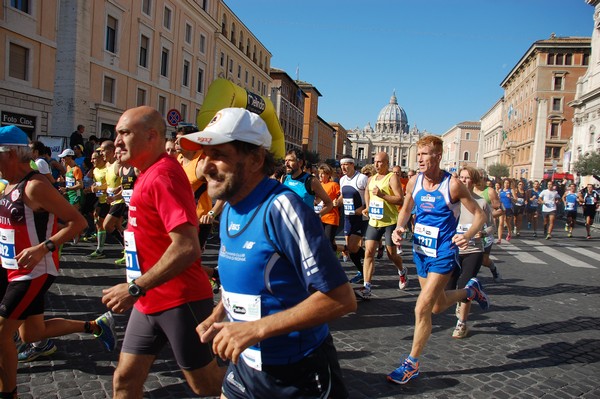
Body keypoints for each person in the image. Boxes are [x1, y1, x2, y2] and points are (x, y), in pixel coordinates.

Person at [179, 107, 357, 398]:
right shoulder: (228, 208)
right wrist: (219, 313)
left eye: (218, 155)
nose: (205, 166)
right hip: (246, 365)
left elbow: (341, 299)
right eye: (203, 155)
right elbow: (245, 279)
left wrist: (255, 330)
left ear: (255, 159)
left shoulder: (282, 208)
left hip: (297, 374)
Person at [0, 126, 116, 398]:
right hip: (11, 269)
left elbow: (78, 222)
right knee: (32, 334)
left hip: (33, 271)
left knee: (2, 335)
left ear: (11, 154)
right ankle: (95, 326)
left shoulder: (36, 185)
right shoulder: (9, 185)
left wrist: (43, 248)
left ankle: (9, 393)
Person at [386, 135, 489, 385]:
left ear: (438, 156)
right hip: (421, 250)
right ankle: (470, 291)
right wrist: (399, 228)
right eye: (418, 154)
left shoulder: (452, 185)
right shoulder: (414, 181)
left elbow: (479, 216)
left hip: (443, 252)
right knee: (436, 306)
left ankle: (411, 363)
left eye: (425, 154)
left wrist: (467, 235)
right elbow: (406, 209)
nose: (419, 158)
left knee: (421, 307)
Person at [450, 166, 495, 339]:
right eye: (461, 177)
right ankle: (461, 298)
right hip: (453, 250)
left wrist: (482, 233)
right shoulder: (452, 201)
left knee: (464, 284)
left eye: (467, 178)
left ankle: (462, 323)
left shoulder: (481, 202)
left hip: (474, 250)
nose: (464, 180)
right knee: (447, 289)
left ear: (474, 180)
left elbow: (491, 226)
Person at [356, 151, 407, 299]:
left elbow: (400, 200)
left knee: (392, 255)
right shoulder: (371, 179)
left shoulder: (392, 178)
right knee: (368, 252)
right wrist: (367, 207)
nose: (377, 165)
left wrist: (382, 195)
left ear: (387, 163)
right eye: (375, 162)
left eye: (380, 162)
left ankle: (402, 270)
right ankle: (367, 287)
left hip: (390, 221)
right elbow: (368, 193)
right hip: (374, 221)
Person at [337, 156, 369, 284]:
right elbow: (342, 196)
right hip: (348, 217)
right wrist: (337, 202)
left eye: (346, 165)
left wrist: (363, 207)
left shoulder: (362, 178)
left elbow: (370, 196)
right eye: (341, 165)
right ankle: (365, 267)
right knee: (351, 249)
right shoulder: (342, 180)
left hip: (361, 217)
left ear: (352, 165)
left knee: (352, 246)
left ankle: (367, 264)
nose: (343, 168)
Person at [282, 149, 333, 216]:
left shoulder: (311, 180)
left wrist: (317, 216)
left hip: (304, 224)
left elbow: (329, 203)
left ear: (300, 162)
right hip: (286, 223)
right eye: (285, 160)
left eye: (290, 160)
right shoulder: (284, 178)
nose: (286, 164)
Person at [473, 170, 503, 282]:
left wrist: (486, 216)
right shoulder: (468, 190)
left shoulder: (490, 192)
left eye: (480, 178)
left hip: (485, 229)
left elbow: (500, 210)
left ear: (485, 179)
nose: (478, 180)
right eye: (475, 177)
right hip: (470, 228)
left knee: (484, 260)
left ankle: (494, 269)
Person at [316, 163, 341, 253]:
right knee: (321, 242)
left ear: (328, 175)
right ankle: (343, 249)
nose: (320, 175)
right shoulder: (318, 185)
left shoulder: (334, 185)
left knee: (328, 242)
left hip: (331, 217)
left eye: (323, 173)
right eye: (319, 173)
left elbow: (341, 196)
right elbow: (316, 200)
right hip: (320, 216)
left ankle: (331, 263)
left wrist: (337, 201)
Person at [498, 179, 515, 243]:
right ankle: (499, 239)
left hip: (509, 208)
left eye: (508, 183)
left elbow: (516, 200)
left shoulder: (511, 190)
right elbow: (498, 198)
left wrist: (510, 197)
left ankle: (509, 233)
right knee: (501, 223)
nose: (506, 184)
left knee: (507, 222)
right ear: (503, 184)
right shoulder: (500, 190)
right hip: (502, 208)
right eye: (505, 183)